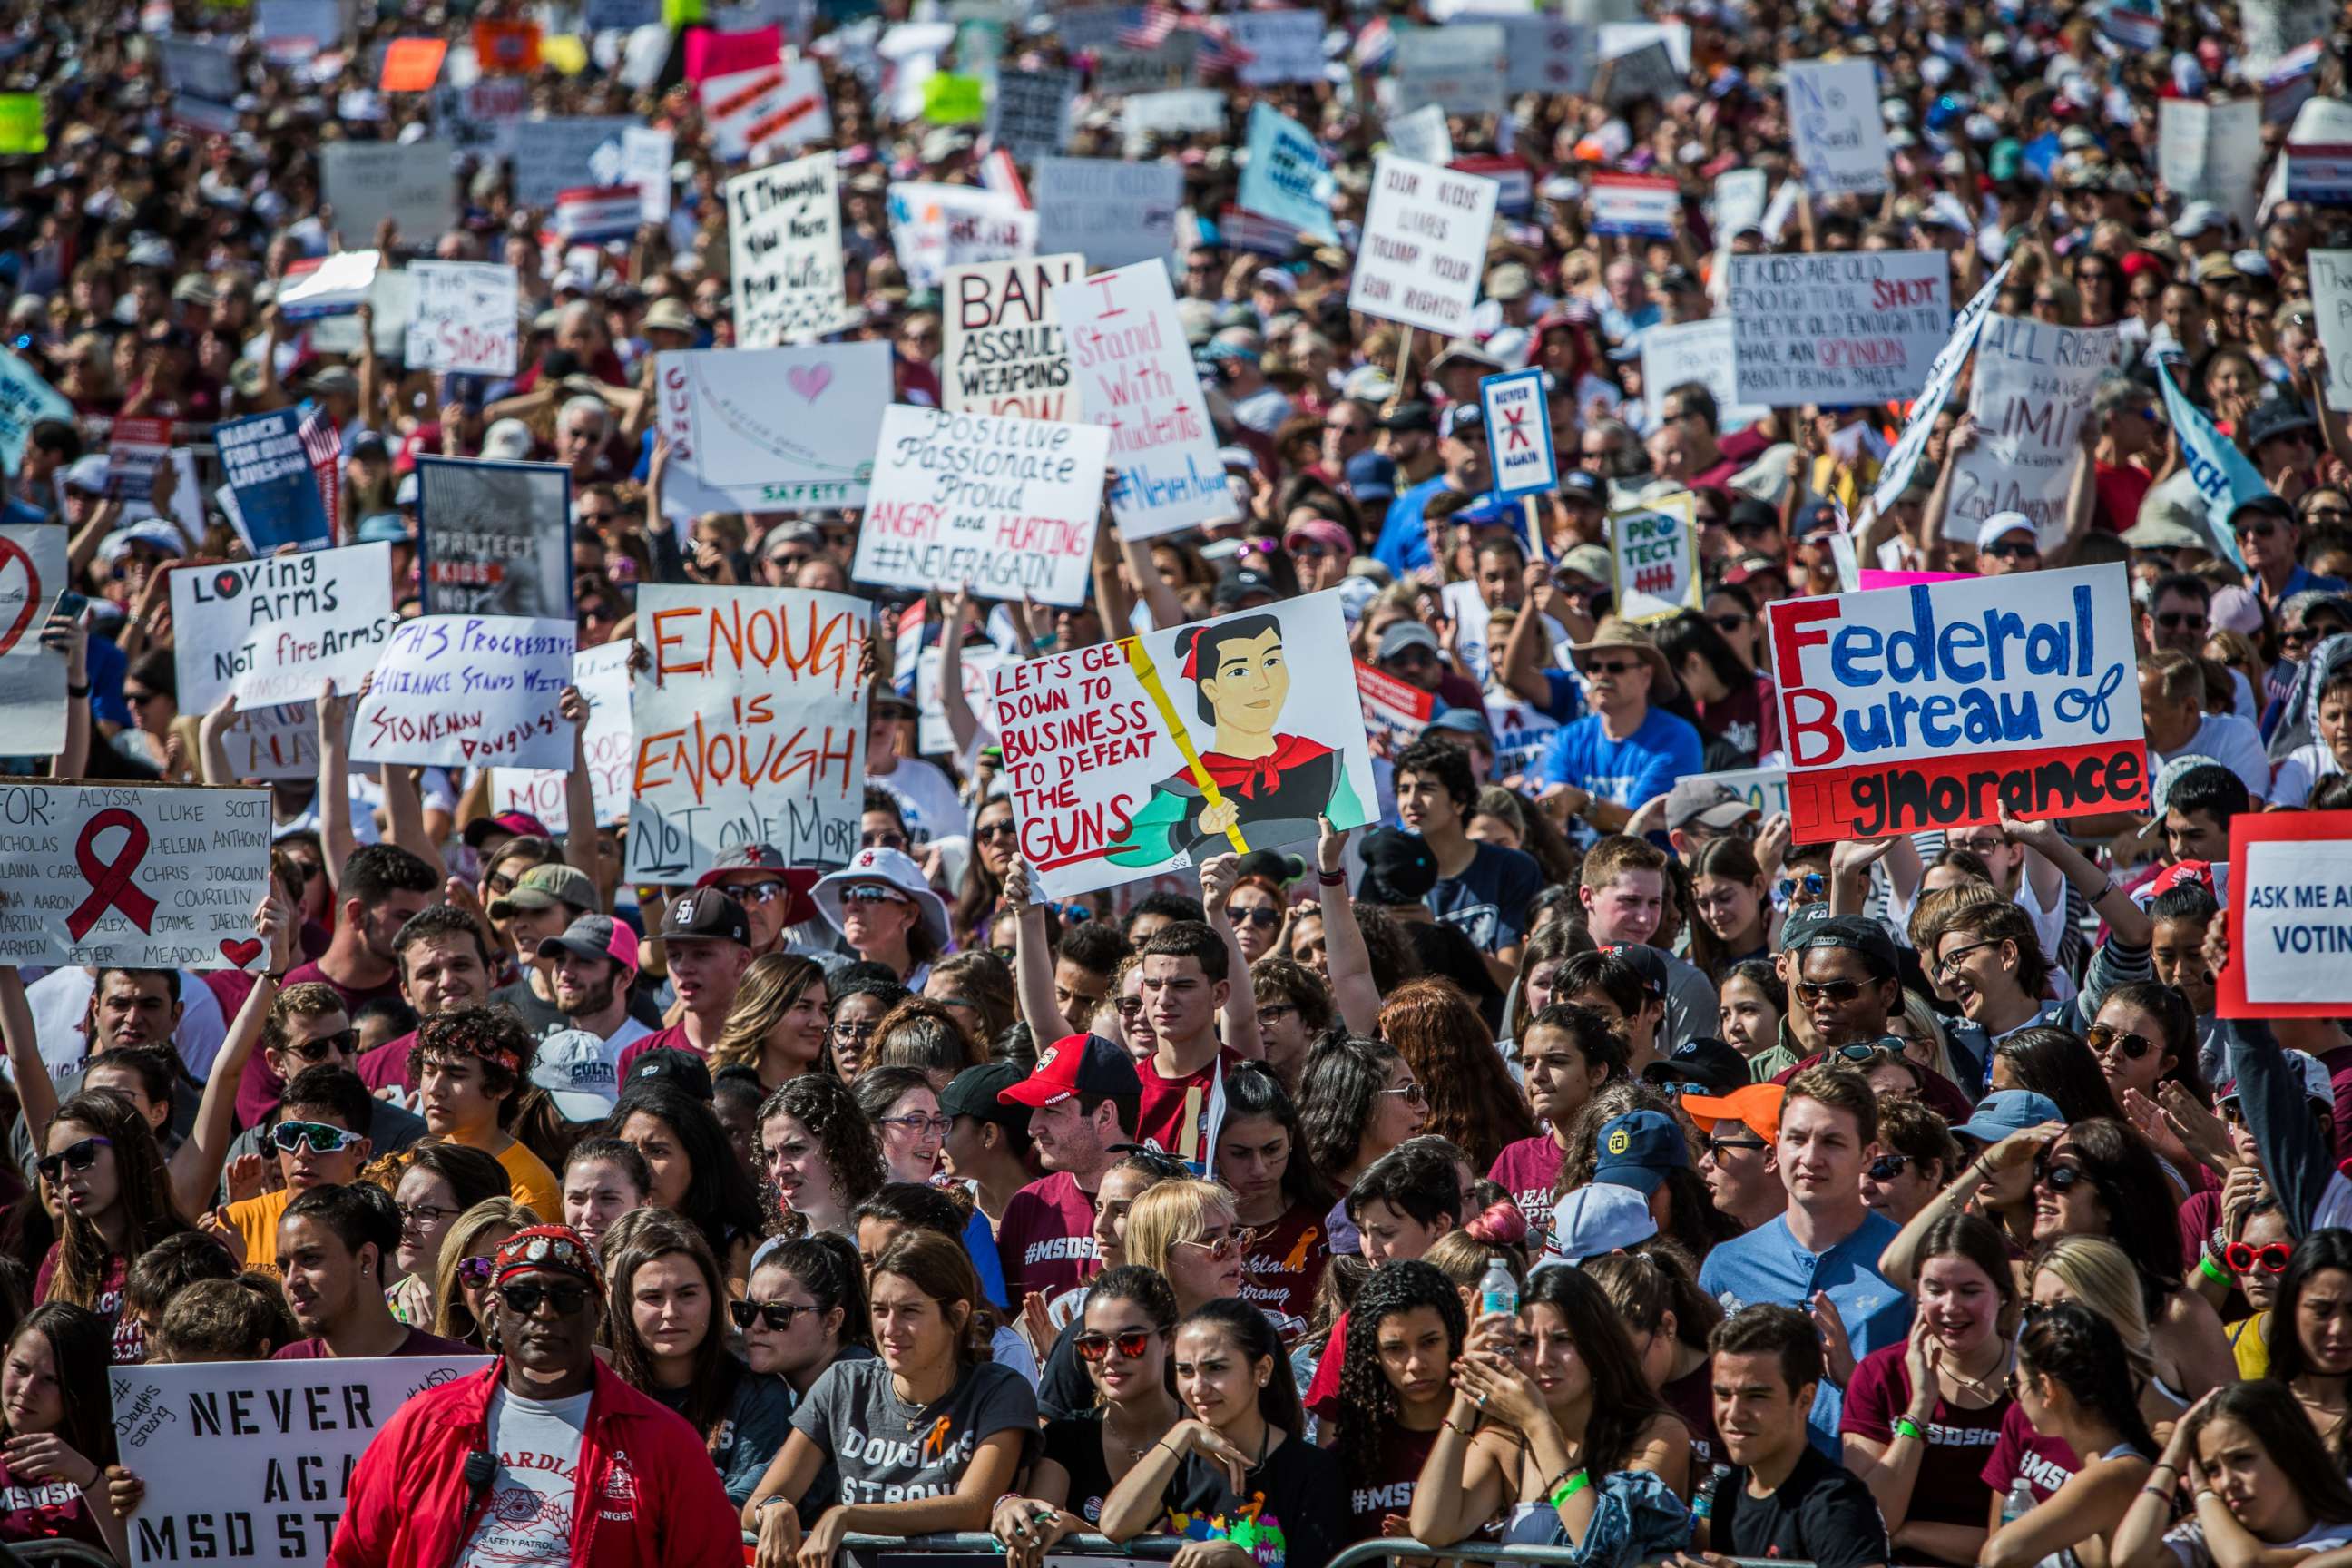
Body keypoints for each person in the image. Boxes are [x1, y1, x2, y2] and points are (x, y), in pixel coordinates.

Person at [330, 1223, 741, 1568]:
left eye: (566, 1298)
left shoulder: (665, 1443)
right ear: (495, 1312)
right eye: (523, 1297)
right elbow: (355, 1556)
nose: (544, 1313)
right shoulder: (423, 1425)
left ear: (598, 1312)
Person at [741, 1230, 1035, 1568]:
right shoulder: (844, 1384)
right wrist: (774, 1508)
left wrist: (850, 1517)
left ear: (956, 1315)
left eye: (910, 1311)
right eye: (880, 1310)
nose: (890, 1329)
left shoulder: (998, 1390)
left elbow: (972, 1508)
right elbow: (758, 1502)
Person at [1409, 1262, 1690, 1558]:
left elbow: (1603, 1544)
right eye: (1527, 1342)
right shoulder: (1506, 1443)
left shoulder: (1656, 1435)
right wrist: (1467, 1390)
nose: (1543, 1359)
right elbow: (1432, 1528)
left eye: (1562, 1340)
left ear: (1598, 1345)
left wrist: (1538, 1426)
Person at [1697, 1065, 1911, 1453]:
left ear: (1868, 1156)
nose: (1811, 1158)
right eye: (1797, 1139)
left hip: (1866, 1495)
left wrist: (1855, 1378)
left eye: (1832, 1142)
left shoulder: (1908, 1264)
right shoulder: (1725, 1265)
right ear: (1776, 1146)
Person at [1098, 1296, 1349, 1568]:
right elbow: (1114, 1525)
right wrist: (1184, 1432)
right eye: (1185, 1371)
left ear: (1261, 1370)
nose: (1197, 1388)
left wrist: (1239, 1562)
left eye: (1216, 1368)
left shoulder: (1311, 1471)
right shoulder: (1178, 1457)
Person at [1839, 1213, 2016, 1567]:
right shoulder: (1880, 1374)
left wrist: (1909, 1534)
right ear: (1917, 1293)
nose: (1950, 1307)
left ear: (2003, 1295)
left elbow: (2018, 1542)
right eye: (1935, 1289)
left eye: (1969, 1291)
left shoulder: (2034, 1382)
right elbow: (1869, 1521)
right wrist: (1919, 1408)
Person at [1674, 1304, 1891, 1568]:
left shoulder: (1836, 1505)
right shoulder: (1726, 1494)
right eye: (1723, 1395)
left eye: (1756, 1396)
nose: (1734, 1414)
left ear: (1805, 1399)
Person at [989, 1266, 1184, 1557]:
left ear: (1169, 1340)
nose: (1111, 1357)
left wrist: (1075, 1528)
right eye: (1094, 1343)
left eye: (1131, 1341)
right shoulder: (1067, 1437)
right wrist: (1009, 1505)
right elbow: (1037, 1534)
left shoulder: (1206, 1437)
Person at [603, 1210, 795, 1505]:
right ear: (625, 1305)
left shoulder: (758, 1395)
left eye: (687, 1294)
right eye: (652, 1297)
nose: (670, 1312)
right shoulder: (598, 1395)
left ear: (713, 1299)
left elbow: (739, 1507)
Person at [1979, 1303, 2158, 1568]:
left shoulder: (2111, 1477)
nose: (2016, 1400)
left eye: (2017, 1385)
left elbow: (1997, 1555)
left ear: (2047, 1389)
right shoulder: (2111, 1463)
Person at [2112, 1380, 2352, 1568]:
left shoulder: (2343, 1526)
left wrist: (2202, 1492)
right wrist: (2172, 1459)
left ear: (2288, 1449)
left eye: (2242, 1459)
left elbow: (2245, 1563)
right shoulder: (2211, 1531)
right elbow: (2129, 1559)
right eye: (2211, 1470)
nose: (2227, 1483)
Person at [35, 1089, 192, 1361]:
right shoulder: (56, 1262)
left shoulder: (189, 1256)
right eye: (52, 1165)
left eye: (80, 1155)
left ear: (127, 1150)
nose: (65, 1176)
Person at [996, 1033, 1144, 1309]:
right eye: (1035, 1110)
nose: (1033, 1127)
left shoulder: (1163, 1204)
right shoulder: (1028, 1205)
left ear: (1104, 1116)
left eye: (1052, 1111)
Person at [1333, 1259, 1465, 1542]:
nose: (1415, 1364)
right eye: (1395, 1348)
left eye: (1430, 1342)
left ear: (1454, 1338)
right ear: (1374, 1355)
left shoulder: (1493, 1439)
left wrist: (1431, 1561)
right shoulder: (1348, 1455)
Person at [1395, 737, 1544, 981]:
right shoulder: (1393, 878)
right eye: (1404, 789)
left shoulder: (1513, 868)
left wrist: (1440, 934)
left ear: (1460, 800)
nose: (1411, 802)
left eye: (1426, 789)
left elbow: (1512, 981)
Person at [275, 1182, 475, 1359]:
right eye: (284, 1266)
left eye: (310, 1259)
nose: (292, 1280)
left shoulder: (457, 1368)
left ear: (366, 1259)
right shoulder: (282, 1369)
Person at [0, 1303, 130, 1560]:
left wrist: (86, 1476)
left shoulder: (120, 1459)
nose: (27, 1390)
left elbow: (142, 1559)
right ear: (4, 1358)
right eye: (20, 1369)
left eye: (50, 1379)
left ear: (81, 1388)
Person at [610, 1079, 766, 1289]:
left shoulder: (740, 1247)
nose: (640, 1165)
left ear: (697, 1160)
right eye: (628, 1150)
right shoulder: (599, 1228)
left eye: (657, 1151)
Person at [1214, 1063, 1331, 1340]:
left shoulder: (1326, 1222)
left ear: (1290, 1138)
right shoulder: (1199, 1231)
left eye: (1271, 1149)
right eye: (1240, 1153)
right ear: (1215, 1150)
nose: (1259, 1168)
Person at [408, 1006, 564, 1216]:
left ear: (502, 1086)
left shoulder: (530, 1188)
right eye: (430, 1071)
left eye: (456, 1075)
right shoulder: (410, 1164)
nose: (435, 1089)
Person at [220, 1063, 376, 1270]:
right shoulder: (237, 1223)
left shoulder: (379, 1229)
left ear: (360, 1151)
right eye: (290, 1135)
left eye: (322, 1138)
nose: (302, 1152)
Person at [1490, 1004, 1629, 1233]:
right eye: (1528, 1063)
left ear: (1596, 1073)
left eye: (1556, 1061)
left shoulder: (1621, 1156)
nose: (1536, 1075)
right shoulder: (1514, 1160)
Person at [618, 889, 755, 1073]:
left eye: (701, 954)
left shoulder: (771, 1053)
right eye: (674, 955)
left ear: (742, 962)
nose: (683, 967)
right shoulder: (640, 1056)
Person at [385, 1141, 512, 1328]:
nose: (406, 1226)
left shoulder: (511, 1307)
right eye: (400, 1210)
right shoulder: (379, 1312)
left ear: (475, 1219)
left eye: (427, 1212)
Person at [757, 1073, 887, 1240]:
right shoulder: (772, 1255)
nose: (779, 1169)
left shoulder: (891, 1244)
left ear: (840, 1147)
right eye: (771, 1155)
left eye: (795, 1149)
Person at [812, 847, 954, 987]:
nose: (852, 906)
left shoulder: (940, 988)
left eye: (869, 894)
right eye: (846, 893)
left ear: (909, 914)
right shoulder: (828, 987)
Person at [710, 954, 833, 1093]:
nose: (819, 1022)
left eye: (824, 1009)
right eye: (803, 1007)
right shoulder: (718, 1095)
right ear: (764, 1011)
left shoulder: (832, 1096)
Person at [430, 1197, 538, 1349]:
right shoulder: (442, 1370)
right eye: (475, 1268)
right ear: (456, 1289)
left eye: (513, 1266)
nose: (495, 1282)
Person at [559, 1134, 651, 1249]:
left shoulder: (672, 1264)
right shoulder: (543, 1264)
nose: (589, 1214)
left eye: (608, 1199)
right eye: (577, 1199)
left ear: (644, 1207)